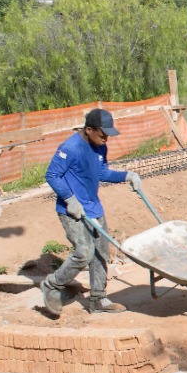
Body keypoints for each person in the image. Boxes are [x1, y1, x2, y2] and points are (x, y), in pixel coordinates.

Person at [40, 108, 142, 317]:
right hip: (73, 211)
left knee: (100, 253)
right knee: (84, 253)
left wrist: (127, 175)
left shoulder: (100, 147)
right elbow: (52, 175)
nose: (106, 139)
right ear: (88, 129)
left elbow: (102, 172)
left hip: (94, 207)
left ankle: (98, 299)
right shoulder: (70, 148)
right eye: (102, 134)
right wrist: (69, 199)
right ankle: (52, 285)